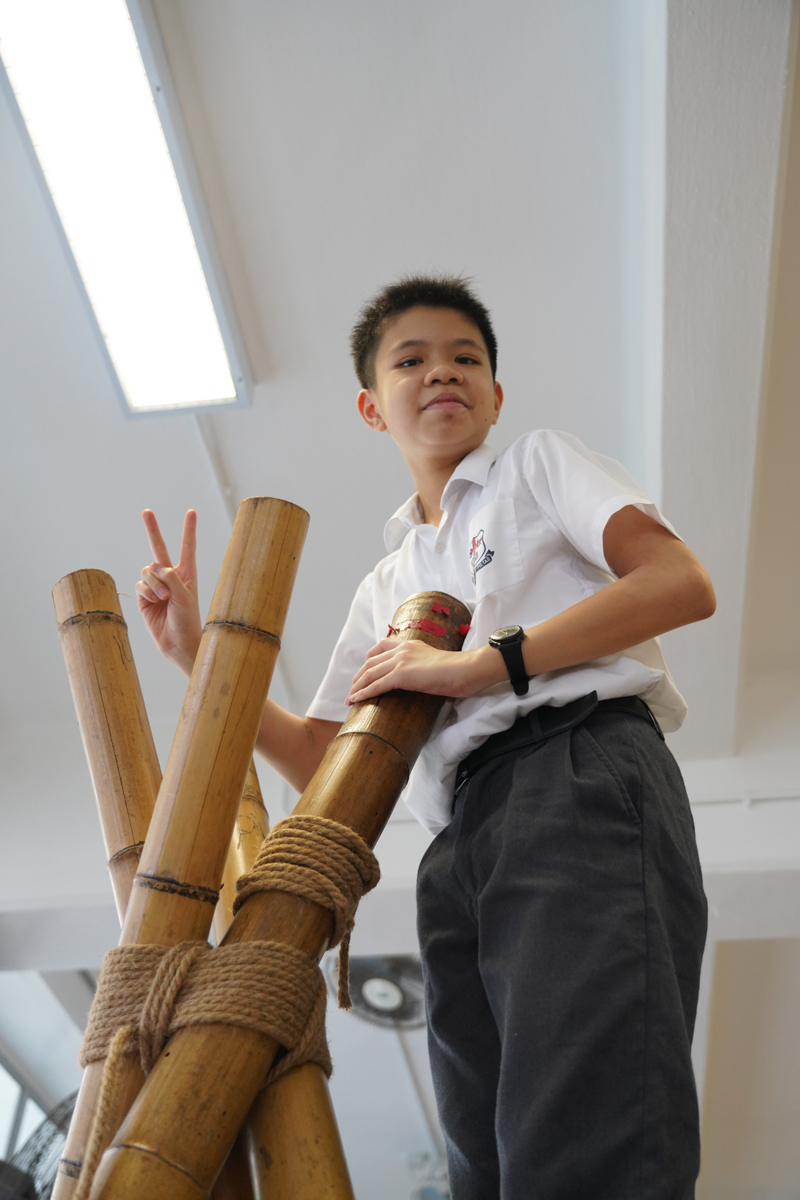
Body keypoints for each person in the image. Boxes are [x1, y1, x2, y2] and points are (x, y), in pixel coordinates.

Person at [137, 275, 714, 1200]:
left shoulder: (535, 467)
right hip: (460, 838)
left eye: (465, 357)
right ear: (372, 406)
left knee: (585, 1126)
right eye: (411, 360)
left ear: (496, 394)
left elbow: (678, 582)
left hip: (575, 768)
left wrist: (479, 666)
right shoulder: (388, 581)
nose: (442, 371)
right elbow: (324, 762)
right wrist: (197, 656)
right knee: (484, 1158)